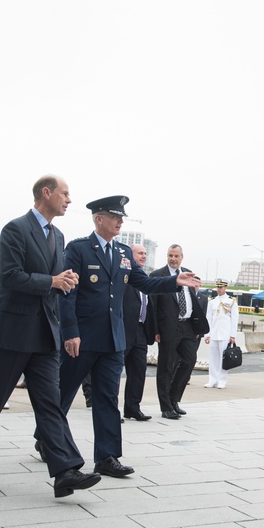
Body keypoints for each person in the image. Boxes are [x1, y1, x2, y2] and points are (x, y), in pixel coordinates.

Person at [52, 196, 199, 478]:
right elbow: (67, 292)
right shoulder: (79, 249)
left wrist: (174, 281)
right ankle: (46, 438)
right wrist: (70, 331)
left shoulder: (123, 253)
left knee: (107, 397)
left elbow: (142, 282)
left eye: (122, 217)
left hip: (113, 339)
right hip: (82, 338)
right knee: (64, 393)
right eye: (114, 216)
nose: (120, 221)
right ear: (98, 219)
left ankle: (106, 457)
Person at [0, 175, 98, 497]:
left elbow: (52, 281)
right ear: (46, 193)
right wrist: (52, 281)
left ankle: (66, 471)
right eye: (65, 193)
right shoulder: (16, 229)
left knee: (50, 405)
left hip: (45, 336)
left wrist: (64, 282)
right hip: (12, 333)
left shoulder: (57, 234)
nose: (69, 200)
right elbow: (11, 278)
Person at [150, 244, 209, 419]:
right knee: (166, 366)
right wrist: (155, 330)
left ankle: (174, 399)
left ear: (182, 257)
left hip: (188, 326)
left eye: (176, 256)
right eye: (170, 255)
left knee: (190, 362)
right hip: (169, 327)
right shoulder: (157, 276)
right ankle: (165, 407)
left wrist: (197, 325)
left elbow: (192, 299)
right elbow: (153, 306)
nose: (173, 259)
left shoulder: (188, 273)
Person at [122, 244, 157, 421]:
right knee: (113, 373)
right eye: (140, 253)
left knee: (138, 372)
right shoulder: (123, 277)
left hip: (141, 331)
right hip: (123, 330)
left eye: (145, 253)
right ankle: (110, 408)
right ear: (130, 255)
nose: (143, 256)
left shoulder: (145, 279)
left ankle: (132, 408)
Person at [204, 278, 239, 389]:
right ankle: (212, 380)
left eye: (221, 287)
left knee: (223, 358)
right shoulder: (212, 302)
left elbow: (234, 319)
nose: (219, 289)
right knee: (213, 358)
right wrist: (207, 334)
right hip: (214, 333)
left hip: (225, 333)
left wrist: (233, 335)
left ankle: (222, 380)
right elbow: (208, 319)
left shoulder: (231, 301)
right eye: (218, 287)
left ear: (226, 287)